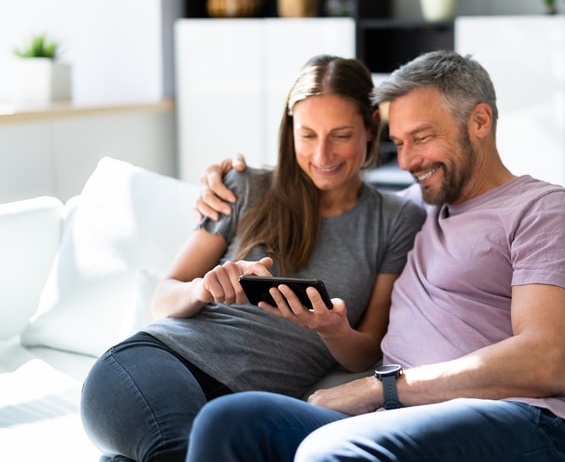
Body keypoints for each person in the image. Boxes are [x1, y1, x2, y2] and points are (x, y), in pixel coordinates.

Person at [186, 50, 565, 462]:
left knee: (330, 453)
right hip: (399, 420)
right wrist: (230, 178)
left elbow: (546, 363)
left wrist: (380, 390)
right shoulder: (413, 209)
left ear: (480, 120)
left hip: (528, 420)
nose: (408, 161)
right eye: (399, 143)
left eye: (422, 138)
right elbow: (327, 184)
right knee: (230, 422)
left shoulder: (548, 211)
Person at [79, 55, 426, 462]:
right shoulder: (244, 186)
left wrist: (332, 329)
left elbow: (365, 350)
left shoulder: (398, 219)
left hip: (241, 407)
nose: (322, 154)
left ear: (370, 126)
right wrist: (204, 288)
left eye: (341, 135)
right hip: (157, 361)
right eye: (308, 135)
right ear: (289, 130)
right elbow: (163, 297)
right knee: (178, 451)